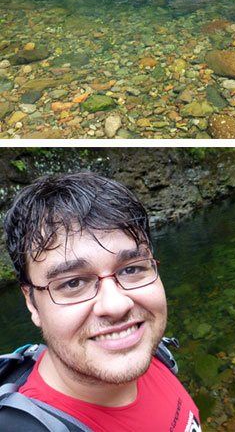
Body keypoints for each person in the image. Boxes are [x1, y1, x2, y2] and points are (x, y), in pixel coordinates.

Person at [0, 172, 201, 431]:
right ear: (31, 302)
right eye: (73, 283)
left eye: (131, 269)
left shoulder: (153, 353)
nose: (116, 306)